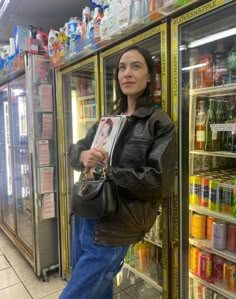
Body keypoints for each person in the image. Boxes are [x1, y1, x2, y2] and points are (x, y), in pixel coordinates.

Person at [60, 45, 176, 299]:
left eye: (136, 66)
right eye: (122, 68)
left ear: (149, 77)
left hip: (117, 225)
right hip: (85, 214)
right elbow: (76, 150)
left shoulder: (159, 123)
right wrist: (83, 155)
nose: (127, 73)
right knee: (98, 293)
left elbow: (158, 182)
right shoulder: (109, 119)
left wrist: (110, 172)